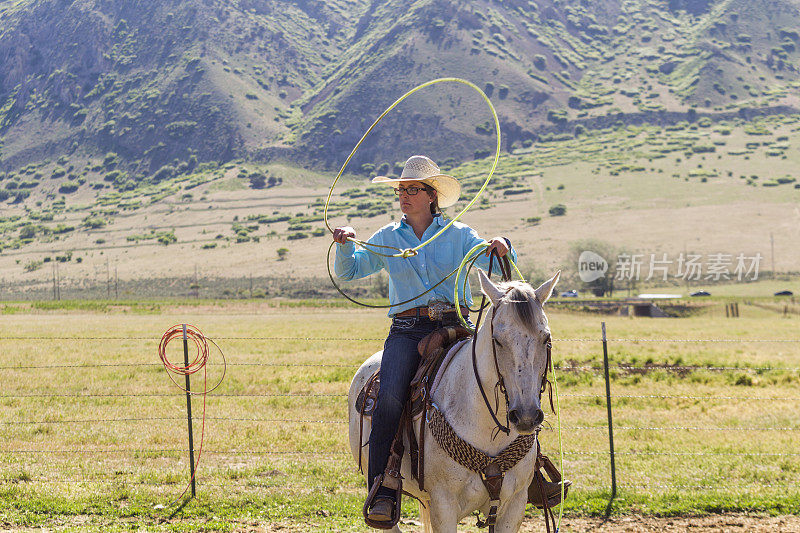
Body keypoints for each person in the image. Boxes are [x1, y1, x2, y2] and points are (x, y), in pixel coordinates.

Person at [333, 155, 517, 525]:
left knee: (508, 379)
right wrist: (344, 243)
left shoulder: (460, 235)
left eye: (411, 189)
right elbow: (350, 270)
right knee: (388, 401)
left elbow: (496, 260)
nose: (403, 195)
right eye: (401, 190)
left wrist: (502, 244)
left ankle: (526, 473)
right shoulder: (387, 237)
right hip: (406, 331)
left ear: (431, 195)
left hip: (455, 326)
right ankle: (383, 490)